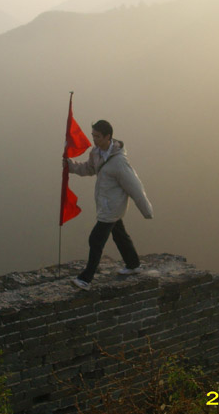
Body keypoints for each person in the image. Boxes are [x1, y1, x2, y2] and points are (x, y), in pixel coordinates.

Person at [64, 120, 153, 290]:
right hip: (105, 204)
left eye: (97, 136)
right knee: (119, 235)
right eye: (93, 136)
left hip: (112, 207)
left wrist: (146, 210)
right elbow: (89, 169)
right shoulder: (96, 153)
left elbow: (135, 187)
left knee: (96, 240)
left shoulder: (119, 161)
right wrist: (71, 167)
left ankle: (86, 279)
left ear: (108, 137)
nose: (94, 140)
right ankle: (133, 264)